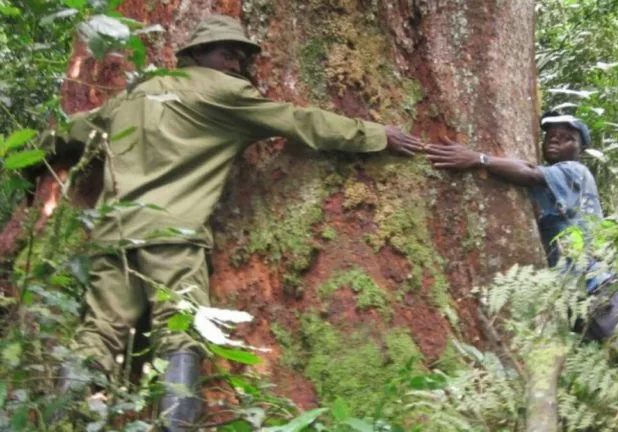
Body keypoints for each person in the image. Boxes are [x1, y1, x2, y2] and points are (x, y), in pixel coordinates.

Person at [42, 14, 423, 430]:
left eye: (242, 56)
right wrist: (375, 133)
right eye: (228, 52)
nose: (238, 63)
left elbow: (75, 131)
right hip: (173, 238)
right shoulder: (224, 93)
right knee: (179, 334)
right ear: (197, 55)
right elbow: (300, 122)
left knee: (99, 334)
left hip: (113, 235)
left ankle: (60, 423)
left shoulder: (136, 94)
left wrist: (33, 157)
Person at [424, 111, 618, 343]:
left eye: (567, 137)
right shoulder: (551, 181)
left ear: (581, 150)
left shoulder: (575, 171)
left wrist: (477, 159)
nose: (556, 139)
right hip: (573, 296)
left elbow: (529, 173)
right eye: (551, 136)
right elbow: (526, 169)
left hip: (597, 287)